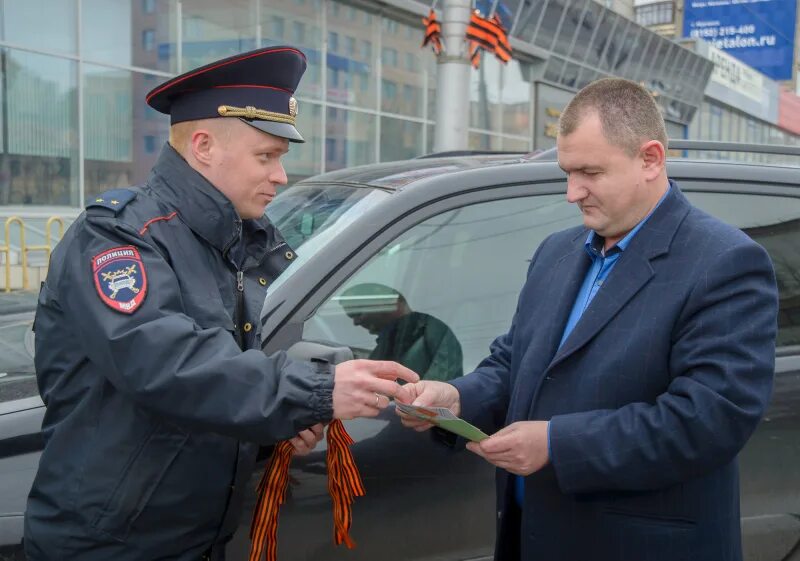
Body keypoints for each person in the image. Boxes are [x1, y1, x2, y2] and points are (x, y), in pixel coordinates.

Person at [25, 46, 418, 561]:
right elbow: (166, 365)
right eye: (267, 156)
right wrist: (314, 392)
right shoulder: (118, 238)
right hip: (111, 544)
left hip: (196, 536)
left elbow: (205, 394)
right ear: (205, 146)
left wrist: (273, 430)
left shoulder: (228, 244)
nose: (280, 176)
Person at [399, 78, 778, 561]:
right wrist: (454, 398)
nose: (572, 192)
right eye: (567, 172)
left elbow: (707, 420)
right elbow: (514, 365)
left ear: (651, 159)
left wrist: (558, 444)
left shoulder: (724, 262)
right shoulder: (557, 252)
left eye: (590, 172)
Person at [339, 283, 463, 381]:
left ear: (389, 303)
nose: (356, 323)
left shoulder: (431, 333)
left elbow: (438, 392)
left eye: (357, 314)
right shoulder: (390, 343)